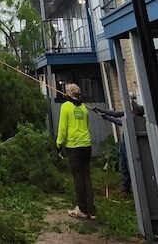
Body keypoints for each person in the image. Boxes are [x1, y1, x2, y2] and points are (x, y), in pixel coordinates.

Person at [56, 83, 95, 220]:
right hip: (86, 145)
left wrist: (59, 143)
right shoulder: (84, 108)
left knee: (78, 177)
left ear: (69, 94)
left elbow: (62, 127)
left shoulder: (66, 106)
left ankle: (82, 209)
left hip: (74, 146)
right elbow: (88, 126)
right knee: (86, 177)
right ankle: (91, 210)